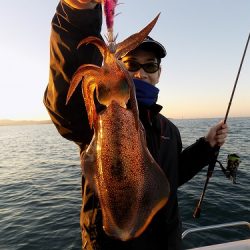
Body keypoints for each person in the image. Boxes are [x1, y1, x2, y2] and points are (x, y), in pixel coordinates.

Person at [43, 1, 228, 249]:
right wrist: (76, 13)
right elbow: (65, 105)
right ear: (120, 68)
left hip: (167, 242)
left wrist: (206, 146)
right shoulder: (95, 118)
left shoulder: (168, 130)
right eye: (131, 65)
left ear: (159, 73)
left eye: (150, 65)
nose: (141, 73)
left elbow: (170, 177)